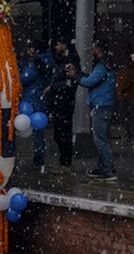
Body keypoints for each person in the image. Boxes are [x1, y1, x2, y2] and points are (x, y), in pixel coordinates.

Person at [78, 41, 117, 181]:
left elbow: (88, 82)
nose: (91, 51)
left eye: (93, 49)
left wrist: (76, 76)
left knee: (100, 140)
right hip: (105, 105)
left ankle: (108, 170)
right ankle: (103, 167)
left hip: (101, 106)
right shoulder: (107, 66)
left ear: (99, 51)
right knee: (104, 139)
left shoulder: (101, 67)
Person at [44, 38, 79, 171]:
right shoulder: (61, 61)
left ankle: (65, 162)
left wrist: (53, 87)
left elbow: (69, 84)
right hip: (59, 102)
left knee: (63, 133)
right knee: (59, 133)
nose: (56, 46)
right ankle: (63, 161)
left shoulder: (70, 61)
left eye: (58, 43)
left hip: (64, 103)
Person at [18, 41, 47, 171]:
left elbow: (24, 78)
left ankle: (39, 158)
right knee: (38, 131)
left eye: (31, 49)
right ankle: (39, 157)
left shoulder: (33, 65)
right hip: (36, 99)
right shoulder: (41, 62)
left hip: (32, 99)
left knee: (36, 131)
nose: (29, 51)